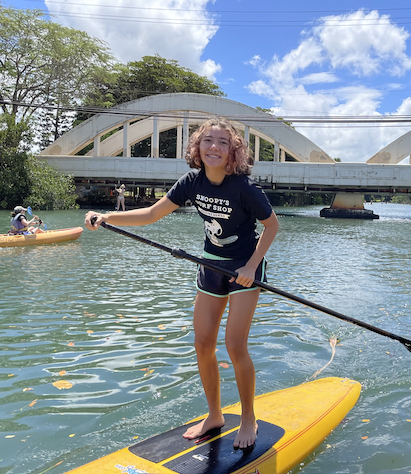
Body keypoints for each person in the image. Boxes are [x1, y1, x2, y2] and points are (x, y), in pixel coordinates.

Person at [84, 117, 279, 450]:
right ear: (197, 148)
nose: (214, 147)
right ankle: (215, 415)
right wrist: (107, 217)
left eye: (222, 142)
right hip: (209, 265)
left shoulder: (244, 188)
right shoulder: (192, 181)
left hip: (244, 268)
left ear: (233, 151)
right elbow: (150, 214)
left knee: (234, 346)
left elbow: (272, 227)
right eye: (207, 141)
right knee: (203, 343)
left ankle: (248, 418)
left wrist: (250, 265)